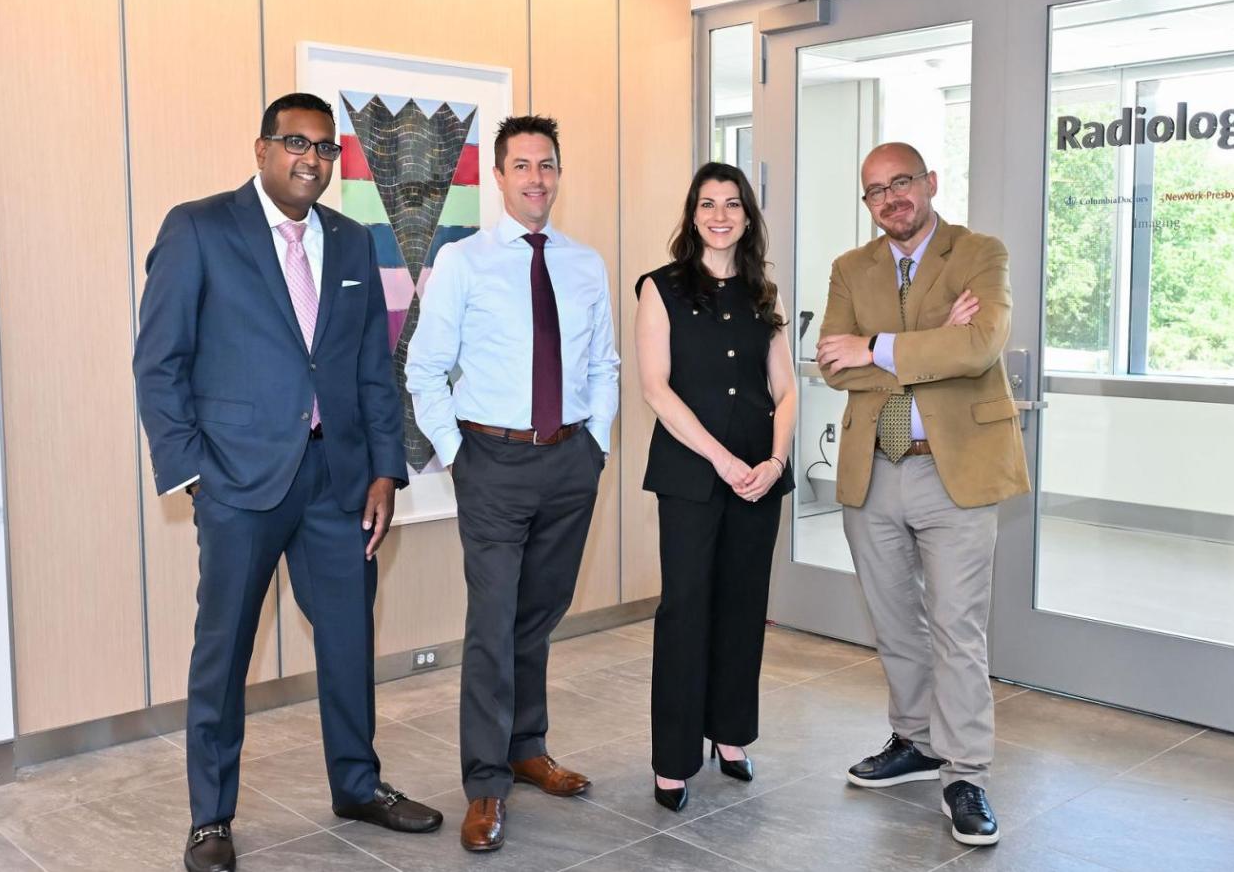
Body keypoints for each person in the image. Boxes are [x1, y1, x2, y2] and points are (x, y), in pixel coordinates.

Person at [134, 93, 443, 872]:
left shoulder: (349, 242)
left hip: (337, 482)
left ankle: (357, 785)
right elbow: (159, 362)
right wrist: (193, 475)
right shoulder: (199, 227)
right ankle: (211, 819)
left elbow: (375, 367)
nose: (311, 159)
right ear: (263, 148)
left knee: (347, 642)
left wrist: (383, 470)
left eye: (325, 148)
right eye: (295, 143)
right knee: (224, 653)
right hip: (238, 483)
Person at [405, 114, 620, 852]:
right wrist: (457, 455)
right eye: (522, 165)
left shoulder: (586, 263)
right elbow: (424, 368)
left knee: (540, 615)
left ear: (559, 174)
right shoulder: (464, 261)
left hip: (570, 460)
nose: (536, 177)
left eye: (547, 165)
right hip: (491, 463)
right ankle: (486, 785)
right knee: (493, 626)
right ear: (497, 177)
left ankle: (529, 750)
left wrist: (597, 442)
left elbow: (604, 363)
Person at [814, 142, 1030, 846]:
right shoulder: (851, 268)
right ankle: (915, 740)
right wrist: (931, 340)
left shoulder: (979, 253)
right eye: (875, 191)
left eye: (901, 183)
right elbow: (833, 366)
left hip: (954, 470)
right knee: (894, 622)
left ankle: (965, 772)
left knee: (956, 629)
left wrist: (879, 348)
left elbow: (980, 346)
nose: (891, 200)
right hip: (874, 470)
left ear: (930, 183)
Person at [633, 162, 796, 812]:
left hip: (760, 475)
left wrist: (778, 460)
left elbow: (783, 389)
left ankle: (730, 735)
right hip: (693, 476)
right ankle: (673, 759)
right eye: (708, 204)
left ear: (748, 216)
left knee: (742, 606)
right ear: (692, 214)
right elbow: (655, 388)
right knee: (685, 611)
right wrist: (722, 460)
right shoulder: (662, 288)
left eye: (733, 204)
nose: (720, 214)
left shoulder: (763, 295)